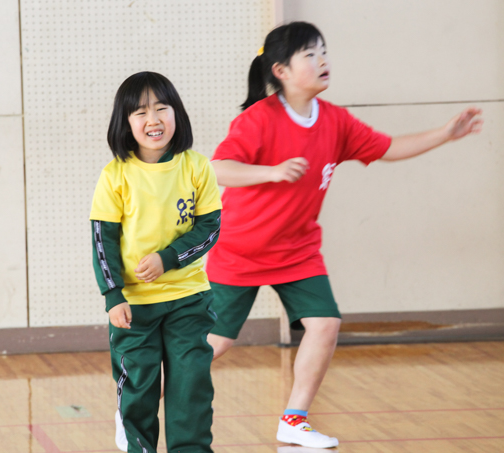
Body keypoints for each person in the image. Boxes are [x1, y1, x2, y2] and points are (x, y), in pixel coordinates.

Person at [206, 22, 483, 448]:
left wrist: (445, 134)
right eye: (310, 55)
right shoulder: (258, 119)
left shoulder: (335, 121)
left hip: (297, 250)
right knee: (214, 344)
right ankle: (137, 400)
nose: (322, 61)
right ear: (280, 70)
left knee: (325, 324)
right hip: (241, 249)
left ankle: (294, 420)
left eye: (323, 51)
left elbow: (387, 148)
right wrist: (272, 172)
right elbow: (218, 168)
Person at [90, 72, 222, 453]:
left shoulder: (197, 167)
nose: (153, 119)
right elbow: (102, 242)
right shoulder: (114, 176)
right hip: (135, 308)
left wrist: (168, 259)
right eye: (141, 112)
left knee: (190, 389)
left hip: (189, 299)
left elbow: (210, 229)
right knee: (140, 391)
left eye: (162, 108)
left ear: (176, 113)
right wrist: (113, 295)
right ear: (125, 122)